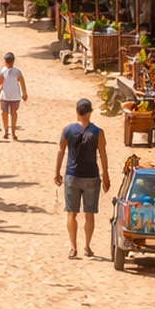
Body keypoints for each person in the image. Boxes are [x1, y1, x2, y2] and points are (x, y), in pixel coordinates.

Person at [55, 97, 111, 261]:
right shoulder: (98, 132)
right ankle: (87, 246)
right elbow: (102, 154)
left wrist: (57, 172)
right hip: (91, 177)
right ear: (90, 112)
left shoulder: (68, 130)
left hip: (72, 176)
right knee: (89, 214)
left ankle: (73, 247)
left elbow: (61, 151)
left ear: (77, 112)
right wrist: (105, 175)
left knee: (71, 213)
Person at [0, 52, 28, 140]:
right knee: (5, 113)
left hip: (14, 96)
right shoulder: (3, 70)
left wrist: (24, 93)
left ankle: (13, 132)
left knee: (13, 113)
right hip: (4, 95)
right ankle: (6, 131)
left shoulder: (17, 72)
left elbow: (22, 82)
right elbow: (0, 81)